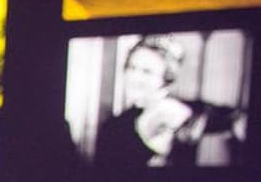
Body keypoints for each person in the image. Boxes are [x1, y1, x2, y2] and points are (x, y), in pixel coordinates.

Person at [94, 35, 247, 168]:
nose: (134, 77)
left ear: (167, 78)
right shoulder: (113, 127)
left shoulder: (190, 111)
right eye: (131, 67)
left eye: (147, 71)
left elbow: (237, 120)